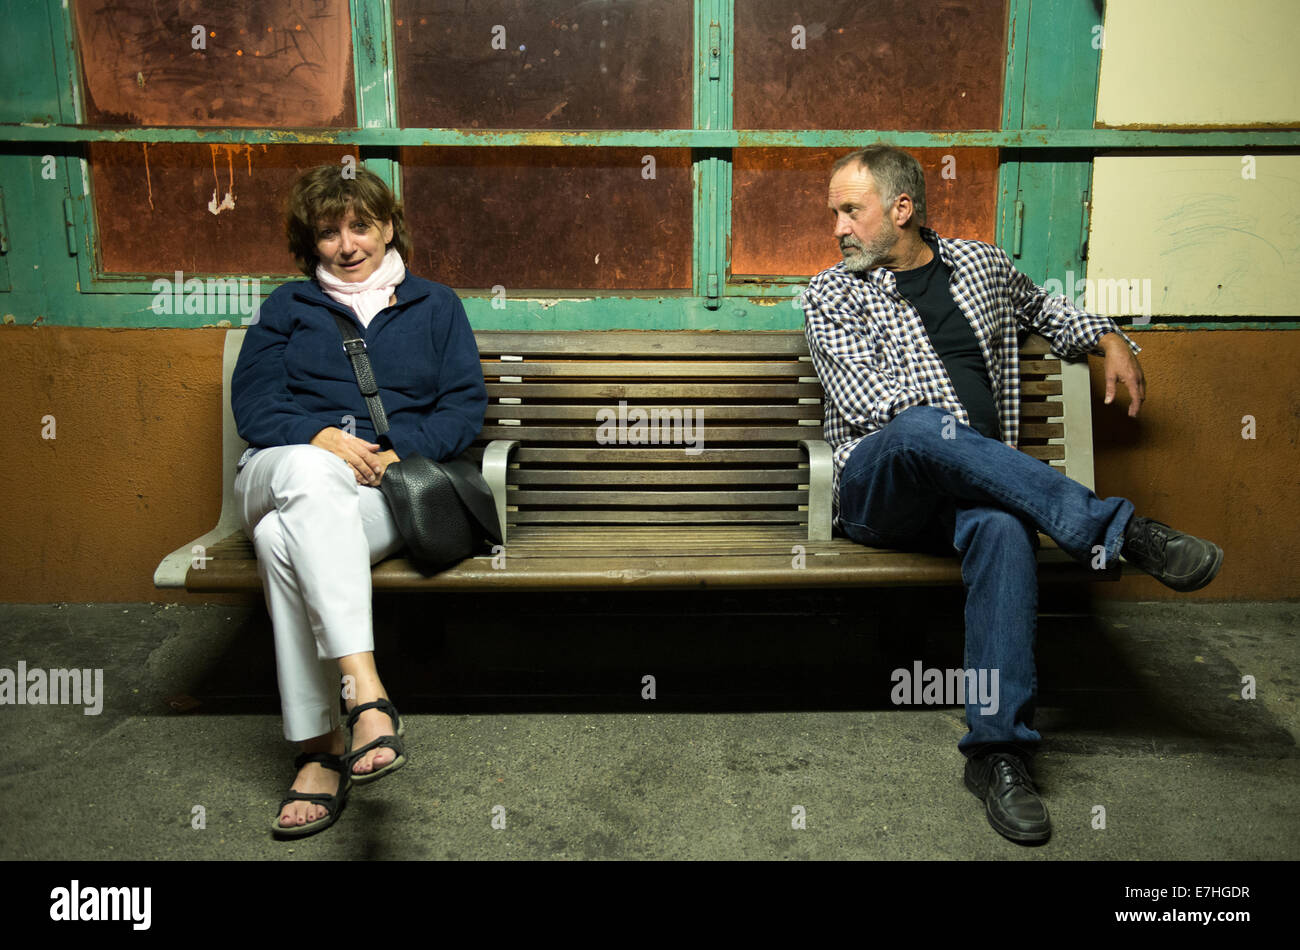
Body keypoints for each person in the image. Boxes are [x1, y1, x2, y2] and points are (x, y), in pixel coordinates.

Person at [801, 145, 1223, 845]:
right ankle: (1120, 534)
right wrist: (974, 450)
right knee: (920, 425)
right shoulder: (832, 294)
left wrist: (1113, 336)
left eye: (852, 210)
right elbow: (872, 405)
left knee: (1002, 527)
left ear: (900, 209)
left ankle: (999, 754)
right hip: (882, 491)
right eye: (835, 213)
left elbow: (1048, 309)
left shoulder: (984, 268)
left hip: (975, 492)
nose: (838, 227)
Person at [231, 164, 487, 837]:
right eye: (327, 232)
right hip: (280, 469)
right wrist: (316, 438)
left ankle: (318, 750)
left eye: (360, 226)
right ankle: (365, 690)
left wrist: (401, 450)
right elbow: (254, 404)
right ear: (309, 243)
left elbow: (464, 406)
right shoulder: (285, 308)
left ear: (388, 227)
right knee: (312, 479)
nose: (346, 244)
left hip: (381, 488)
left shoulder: (436, 306)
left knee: (280, 542)